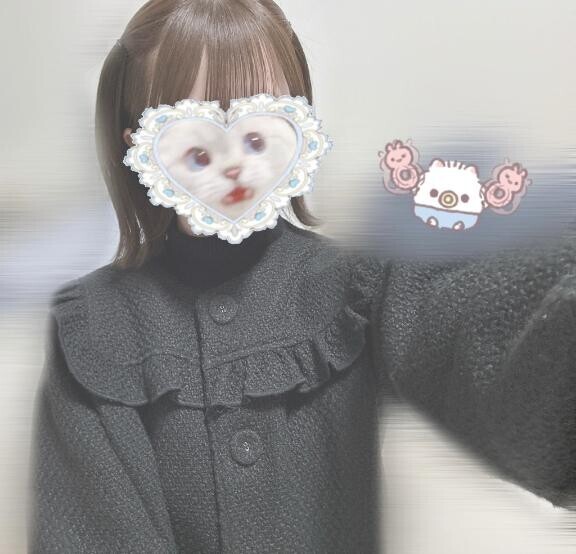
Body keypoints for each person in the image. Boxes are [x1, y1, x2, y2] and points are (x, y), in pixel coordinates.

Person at [27, 1, 576, 552]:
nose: (233, 161)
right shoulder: (92, 329)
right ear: (138, 143)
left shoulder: (360, 287)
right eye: (196, 134)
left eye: (258, 128)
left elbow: (485, 348)